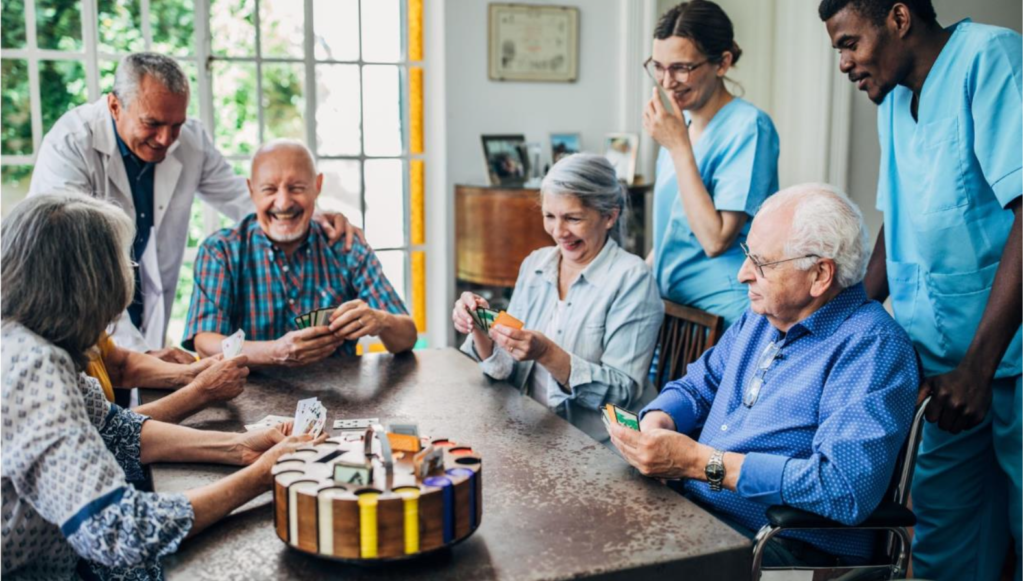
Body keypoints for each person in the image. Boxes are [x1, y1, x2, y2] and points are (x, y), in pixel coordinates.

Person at [0, 192, 320, 579]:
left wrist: (240, 447)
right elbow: (119, 531)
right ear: (89, 285)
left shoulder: (27, 340)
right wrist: (261, 475)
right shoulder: (32, 366)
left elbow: (114, 430)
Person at [607, 185, 919, 567]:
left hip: (786, 550)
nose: (742, 275)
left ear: (820, 274)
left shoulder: (871, 347)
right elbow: (696, 387)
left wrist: (700, 463)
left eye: (761, 263)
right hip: (702, 515)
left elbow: (843, 489)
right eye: (746, 256)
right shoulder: (761, 318)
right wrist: (658, 421)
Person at [820, 2, 1022, 579]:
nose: (843, 63)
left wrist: (979, 367)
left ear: (900, 18)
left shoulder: (989, 57)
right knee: (940, 542)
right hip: (939, 368)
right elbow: (898, 220)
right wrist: (837, 322)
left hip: (1004, 358)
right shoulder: (892, 98)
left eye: (849, 43)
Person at [27, 52, 362, 362]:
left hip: (140, 296)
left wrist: (315, 217)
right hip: (72, 312)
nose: (165, 139)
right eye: (152, 124)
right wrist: (139, 355)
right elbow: (73, 266)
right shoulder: (71, 145)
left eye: (176, 125)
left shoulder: (189, 140)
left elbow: (242, 199)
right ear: (115, 106)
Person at [453, 153, 664, 443]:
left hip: (598, 445)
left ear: (610, 216)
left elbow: (622, 395)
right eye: (549, 216)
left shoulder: (632, 279)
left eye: (573, 218)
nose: (558, 232)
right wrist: (480, 327)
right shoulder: (535, 265)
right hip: (532, 429)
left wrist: (547, 353)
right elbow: (504, 370)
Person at [184, 140, 417, 363]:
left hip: (339, 396)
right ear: (251, 190)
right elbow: (205, 343)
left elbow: (408, 337)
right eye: (269, 189)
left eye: (296, 188)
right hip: (245, 393)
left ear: (317, 186)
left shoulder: (346, 246)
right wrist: (274, 352)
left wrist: (382, 320)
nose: (283, 203)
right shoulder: (220, 251)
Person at [644, 0, 780, 327]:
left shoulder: (749, 127)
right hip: (671, 311)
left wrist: (678, 148)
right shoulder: (680, 129)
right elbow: (671, 232)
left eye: (681, 67)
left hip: (722, 316)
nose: (666, 81)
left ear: (722, 63)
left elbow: (716, 239)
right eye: (658, 66)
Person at [86, 333, 249, 424]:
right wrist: (201, 392)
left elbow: (121, 365)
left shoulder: (88, 325)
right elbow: (109, 428)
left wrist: (188, 373)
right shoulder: (61, 363)